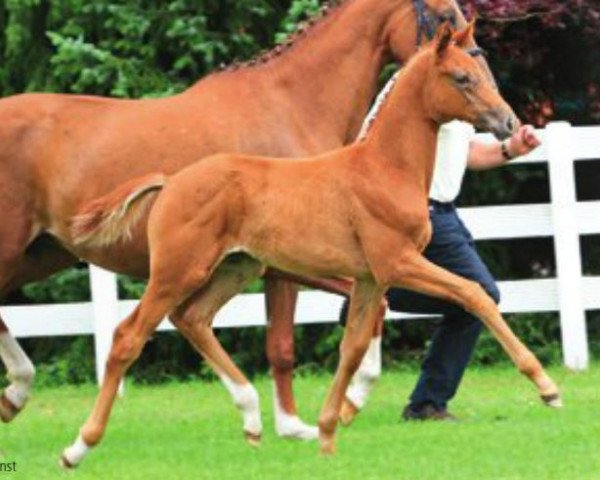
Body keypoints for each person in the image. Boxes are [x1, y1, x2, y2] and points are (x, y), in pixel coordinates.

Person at [341, 73, 542, 420]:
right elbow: (370, 139)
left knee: (474, 301)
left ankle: (370, 299)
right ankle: (427, 401)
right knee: (480, 297)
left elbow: (463, 152)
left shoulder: (462, 83)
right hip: (421, 211)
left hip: (445, 212)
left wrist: (511, 149)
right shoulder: (419, 83)